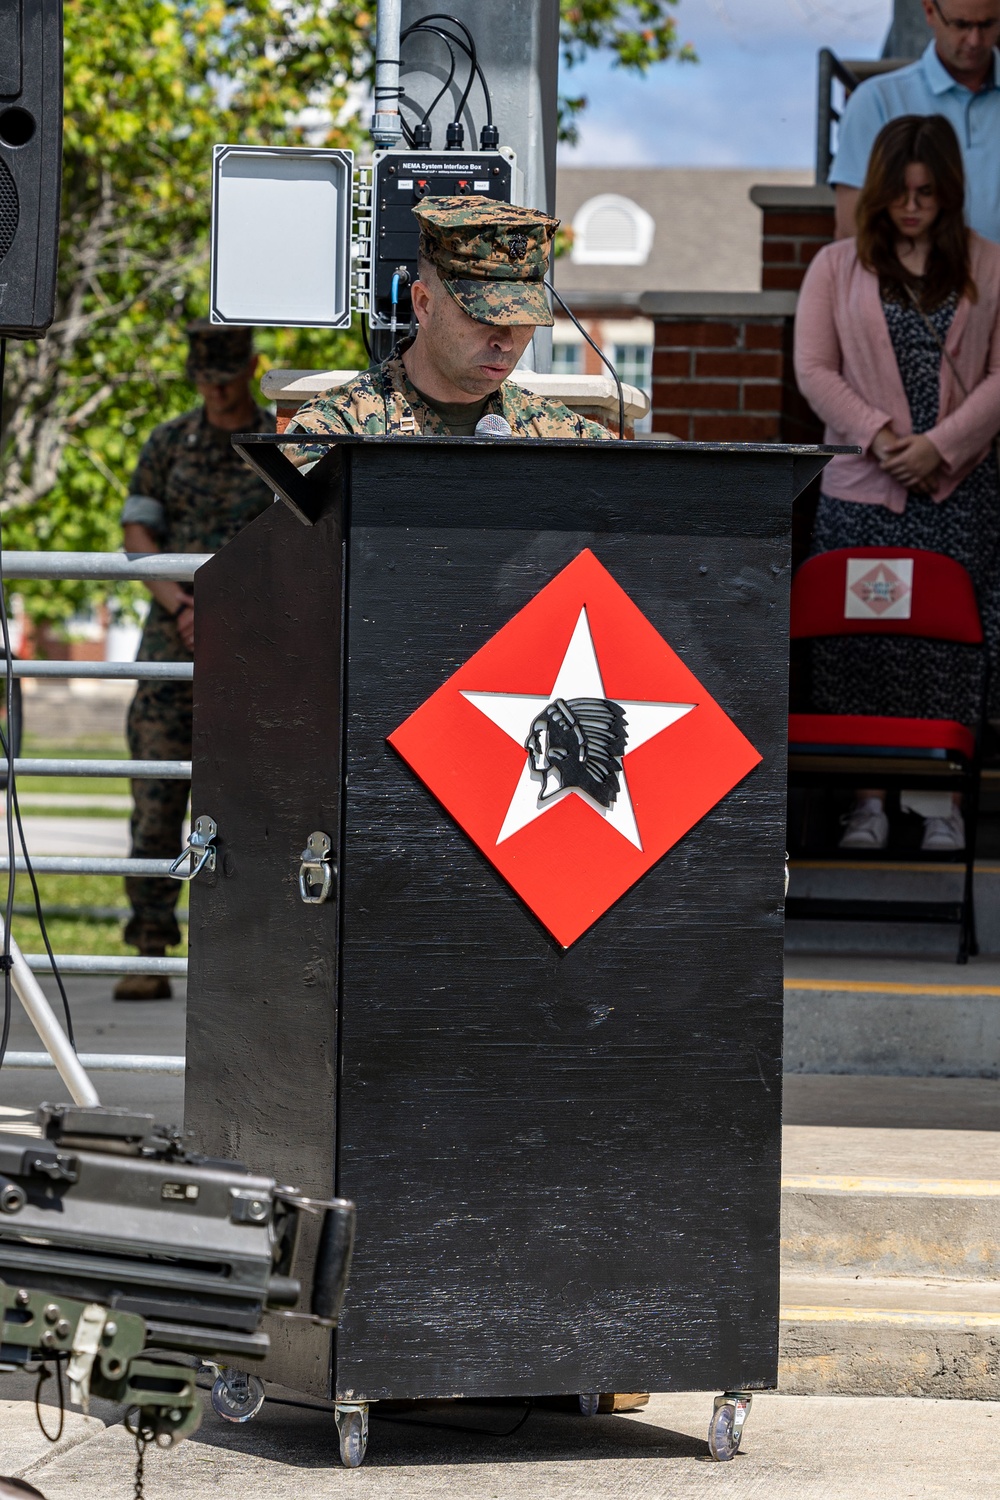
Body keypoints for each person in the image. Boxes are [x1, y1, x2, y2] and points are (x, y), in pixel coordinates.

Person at [794, 113, 1000, 852]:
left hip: (954, 491)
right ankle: (868, 805)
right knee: (861, 647)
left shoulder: (990, 264)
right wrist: (881, 438)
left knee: (944, 651)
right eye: (901, 192)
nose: (912, 207)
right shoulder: (836, 266)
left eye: (927, 192)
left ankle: (937, 803)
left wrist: (939, 447)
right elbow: (815, 369)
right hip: (861, 490)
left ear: (949, 191)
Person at [116, 321, 276, 999]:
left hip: (252, 651)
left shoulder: (278, 439)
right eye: (204, 381)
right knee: (156, 807)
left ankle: (245, 960)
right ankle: (148, 952)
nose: (215, 393)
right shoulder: (167, 442)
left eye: (225, 378)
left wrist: (226, 608)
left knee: (249, 805)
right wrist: (183, 604)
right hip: (172, 650)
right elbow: (136, 532)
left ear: (248, 370)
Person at [288, 196, 613, 445]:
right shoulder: (337, 431)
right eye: (484, 316)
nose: (506, 340)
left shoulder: (563, 437)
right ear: (424, 304)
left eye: (523, 317)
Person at [830, 0, 1000, 242]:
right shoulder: (876, 101)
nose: (974, 40)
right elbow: (852, 230)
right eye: (961, 25)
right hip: (905, 279)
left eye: (987, 24)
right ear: (929, 11)